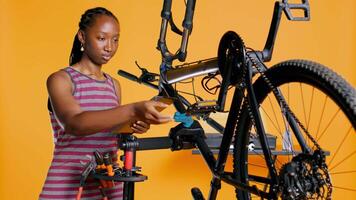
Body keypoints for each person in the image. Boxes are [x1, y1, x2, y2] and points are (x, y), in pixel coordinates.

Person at [39, 7, 171, 200]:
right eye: (101, 38)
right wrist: (133, 109)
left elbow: (109, 133)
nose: (109, 47)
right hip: (68, 185)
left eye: (115, 39)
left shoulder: (113, 85)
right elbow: (74, 123)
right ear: (82, 37)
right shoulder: (61, 79)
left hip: (109, 183)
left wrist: (131, 125)